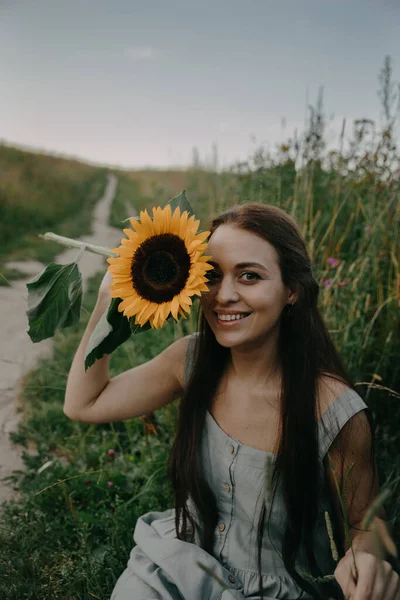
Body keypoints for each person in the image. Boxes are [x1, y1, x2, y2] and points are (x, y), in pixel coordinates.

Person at [64, 202, 399, 600]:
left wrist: (366, 558)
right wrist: (109, 299)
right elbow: (84, 404)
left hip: (280, 588)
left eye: (249, 276)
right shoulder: (189, 360)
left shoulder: (330, 409)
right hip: (177, 563)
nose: (223, 296)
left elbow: (364, 522)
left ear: (291, 290)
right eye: (212, 275)